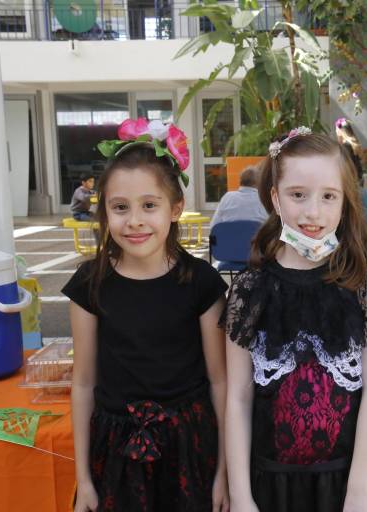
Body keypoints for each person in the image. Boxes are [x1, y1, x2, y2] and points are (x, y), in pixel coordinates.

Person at [223, 127, 367, 511]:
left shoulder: (366, 284)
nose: (312, 211)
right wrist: (240, 495)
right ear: (275, 198)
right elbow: (237, 398)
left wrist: (359, 490)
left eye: (328, 196)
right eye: (297, 195)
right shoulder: (249, 290)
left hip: (347, 482)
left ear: (345, 201)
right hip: (270, 487)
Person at [63, 118, 229, 512]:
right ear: (103, 210)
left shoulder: (201, 282)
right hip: (115, 450)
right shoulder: (90, 283)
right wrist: (83, 479)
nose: (134, 220)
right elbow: (83, 383)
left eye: (149, 206)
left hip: (189, 447)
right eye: (120, 207)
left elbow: (220, 381)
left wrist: (225, 471)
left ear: (175, 209)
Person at [336, 117, 367, 219]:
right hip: (358, 181)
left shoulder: (345, 147)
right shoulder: (355, 145)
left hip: (349, 183)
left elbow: (344, 167)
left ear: (340, 131)